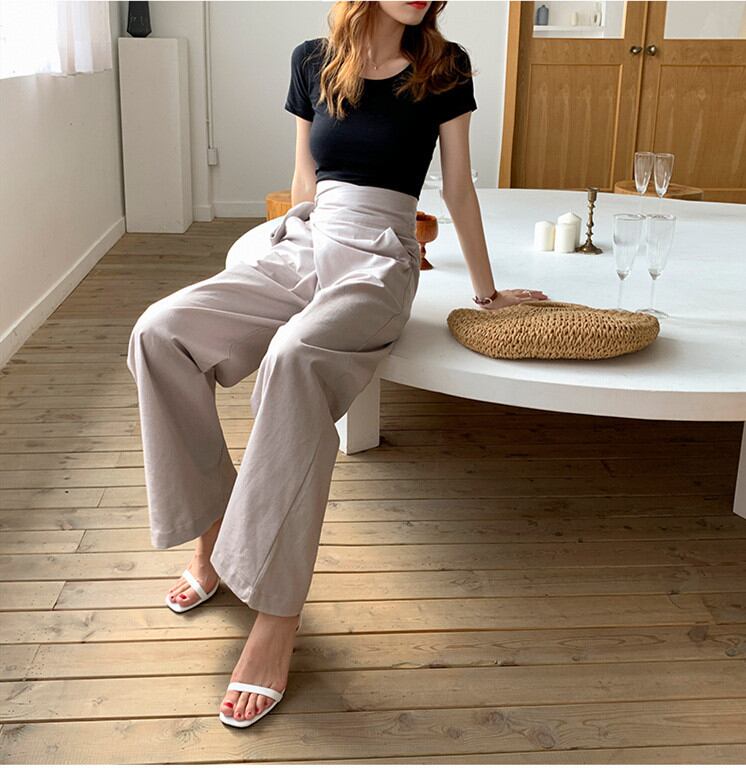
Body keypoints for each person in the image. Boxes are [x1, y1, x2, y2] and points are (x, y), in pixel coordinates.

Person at [126, 0, 549, 731]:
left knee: (294, 359)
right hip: (307, 239)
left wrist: (486, 293)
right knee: (159, 332)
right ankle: (211, 536)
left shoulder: (444, 67)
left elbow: (457, 187)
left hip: (382, 256)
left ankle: (276, 613)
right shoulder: (312, 60)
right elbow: (305, 177)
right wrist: (275, 251)